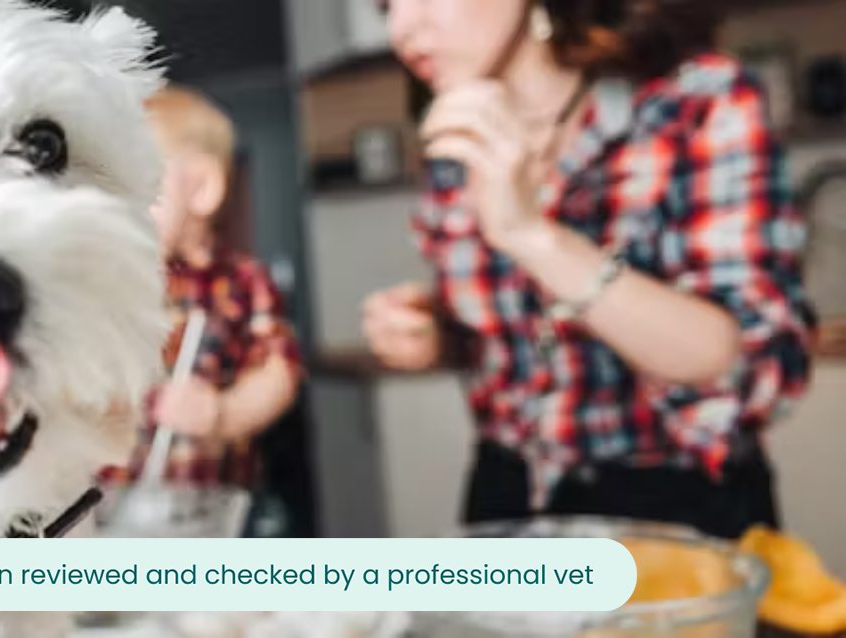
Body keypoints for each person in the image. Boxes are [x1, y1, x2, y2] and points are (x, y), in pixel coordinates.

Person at [363, 0, 816, 539]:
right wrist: (434, 334)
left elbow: (742, 361)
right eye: (387, 5)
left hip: (677, 508)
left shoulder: (695, 103)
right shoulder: (459, 131)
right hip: (510, 497)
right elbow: (516, 339)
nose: (401, 28)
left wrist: (532, 234)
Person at [98, 86, 302, 495]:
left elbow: (279, 372)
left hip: (205, 505)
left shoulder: (241, 281)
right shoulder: (104, 282)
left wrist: (224, 415)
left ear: (203, 188)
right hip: (108, 506)